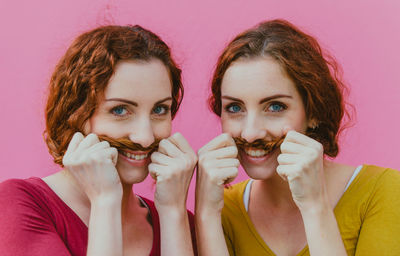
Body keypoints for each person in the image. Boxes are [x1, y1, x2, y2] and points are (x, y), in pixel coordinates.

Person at [195, 19, 400, 256]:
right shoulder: (225, 209)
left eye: (275, 107)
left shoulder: (384, 191)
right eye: (234, 108)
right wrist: (206, 214)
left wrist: (315, 206)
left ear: (314, 111)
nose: (251, 132)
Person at [0, 25, 197, 256]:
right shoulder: (19, 204)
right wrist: (105, 203)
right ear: (76, 114)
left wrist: (174, 213)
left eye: (160, 109)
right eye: (120, 110)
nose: (145, 138)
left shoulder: (181, 223)